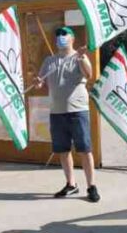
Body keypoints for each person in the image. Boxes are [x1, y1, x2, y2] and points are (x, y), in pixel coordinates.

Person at [35, 26, 99, 203]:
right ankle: (71, 184)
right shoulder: (49, 60)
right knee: (63, 150)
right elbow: (40, 83)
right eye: (58, 35)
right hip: (57, 112)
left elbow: (89, 73)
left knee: (85, 150)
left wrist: (81, 57)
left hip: (77, 110)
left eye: (64, 34)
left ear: (72, 38)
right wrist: (38, 82)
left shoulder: (79, 57)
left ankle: (91, 186)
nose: (60, 37)